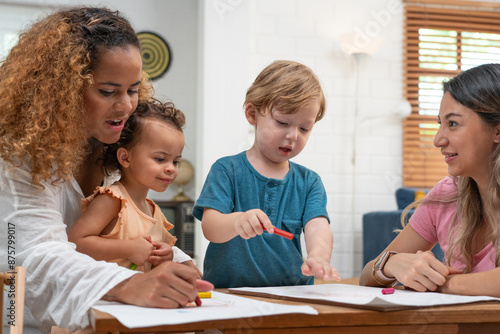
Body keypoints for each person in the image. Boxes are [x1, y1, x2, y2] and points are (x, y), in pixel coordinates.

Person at [0, 7, 212, 332]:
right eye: (107, 91)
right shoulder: (19, 154)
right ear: (63, 90)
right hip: (20, 322)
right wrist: (127, 285)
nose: (126, 105)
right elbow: (31, 255)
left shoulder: (113, 148)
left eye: (132, 89)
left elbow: (131, 230)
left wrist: (180, 267)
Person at [193, 60, 340, 288]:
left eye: (304, 128)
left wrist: (319, 255)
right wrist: (237, 221)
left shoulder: (310, 182)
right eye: (282, 122)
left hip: (292, 295)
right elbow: (210, 227)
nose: (293, 136)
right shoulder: (226, 170)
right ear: (252, 114)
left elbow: (318, 226)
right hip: (229, 295)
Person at [360, 63, 500, 297]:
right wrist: (392, 265)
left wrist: (441, 284)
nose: (437, 140)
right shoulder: (446, 195)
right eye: (440, 124)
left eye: (453, 124)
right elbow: (367, 276)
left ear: (497, 131)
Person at [68, 100, 202, 275]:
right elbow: (75, 242)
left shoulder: (154, 211)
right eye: (160, 159)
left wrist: (165, 256)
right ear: (125, 158)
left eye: (175, 161)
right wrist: (128, 248)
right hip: (106, 299)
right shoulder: (112, 199)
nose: (171, 168)